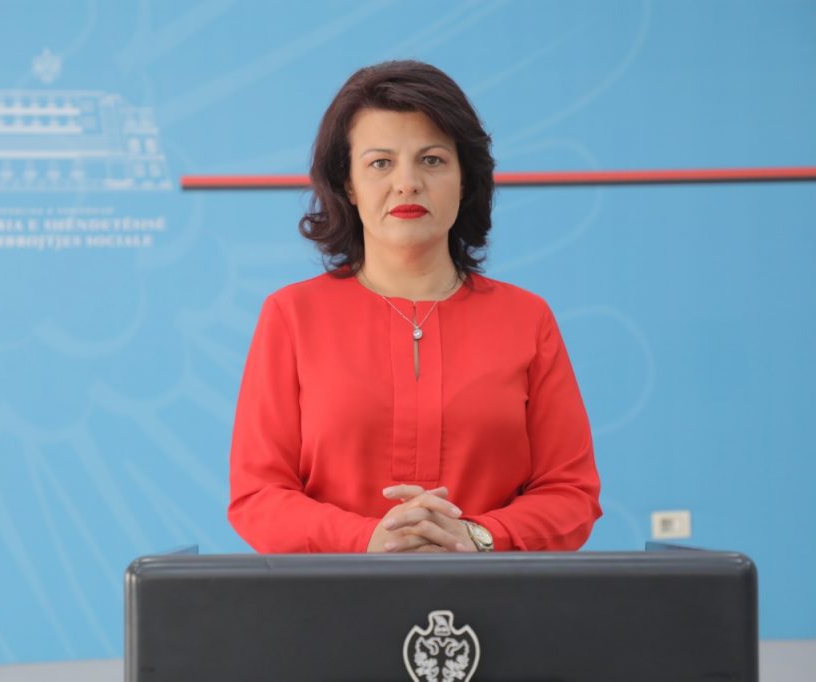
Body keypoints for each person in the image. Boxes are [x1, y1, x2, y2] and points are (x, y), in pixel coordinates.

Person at [227, 60, 601, 554]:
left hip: (492, 596)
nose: (407, 183)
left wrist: (476, 535)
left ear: (464, 179)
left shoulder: (527, 318)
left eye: (432, 160)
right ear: (348, 184)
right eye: (381, 163)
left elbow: (571, 494)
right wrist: (367, 539)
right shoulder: (291, 315)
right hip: (334, 597)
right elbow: (258, 496)